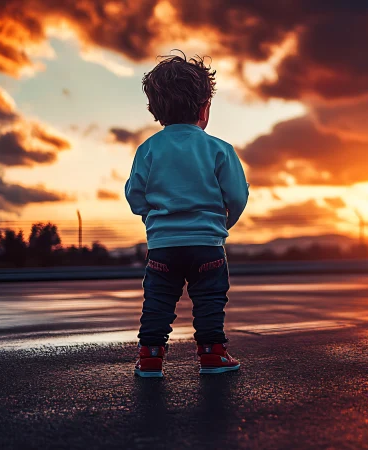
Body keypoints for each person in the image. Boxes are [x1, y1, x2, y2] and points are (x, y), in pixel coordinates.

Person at [125, 51, 249, 378]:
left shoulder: (148, 150)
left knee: (157, 302)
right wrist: (223, 223)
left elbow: (134, 195)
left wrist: (151, 218)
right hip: (206, 244)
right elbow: (237, 195)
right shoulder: (220, 150)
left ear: (155, 109)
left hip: (163, 245)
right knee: (209, 300)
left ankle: (150, 356)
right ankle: (212, 354)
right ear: (204, 107)